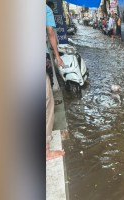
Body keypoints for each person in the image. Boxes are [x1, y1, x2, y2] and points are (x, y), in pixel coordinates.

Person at [46, 4, 65, 160]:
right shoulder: (45, 9)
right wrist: (57, 56)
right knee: (47, 102)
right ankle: (45, 150)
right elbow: (51, 32)